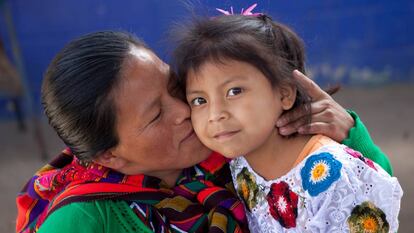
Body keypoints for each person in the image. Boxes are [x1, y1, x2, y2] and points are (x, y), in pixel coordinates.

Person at [16, 30, 393, 233]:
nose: (189, 111)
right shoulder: (83, 220)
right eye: (156, 115)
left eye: (174, 87)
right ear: (109, 156)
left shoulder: (229, 149)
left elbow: (368, 205)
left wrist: (349, 136)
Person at [171, 12, 402, 232]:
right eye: (200, 100)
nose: (215, 114)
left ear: (285, 94)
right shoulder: (238, 160)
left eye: (234, 91)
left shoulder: (332, 174)